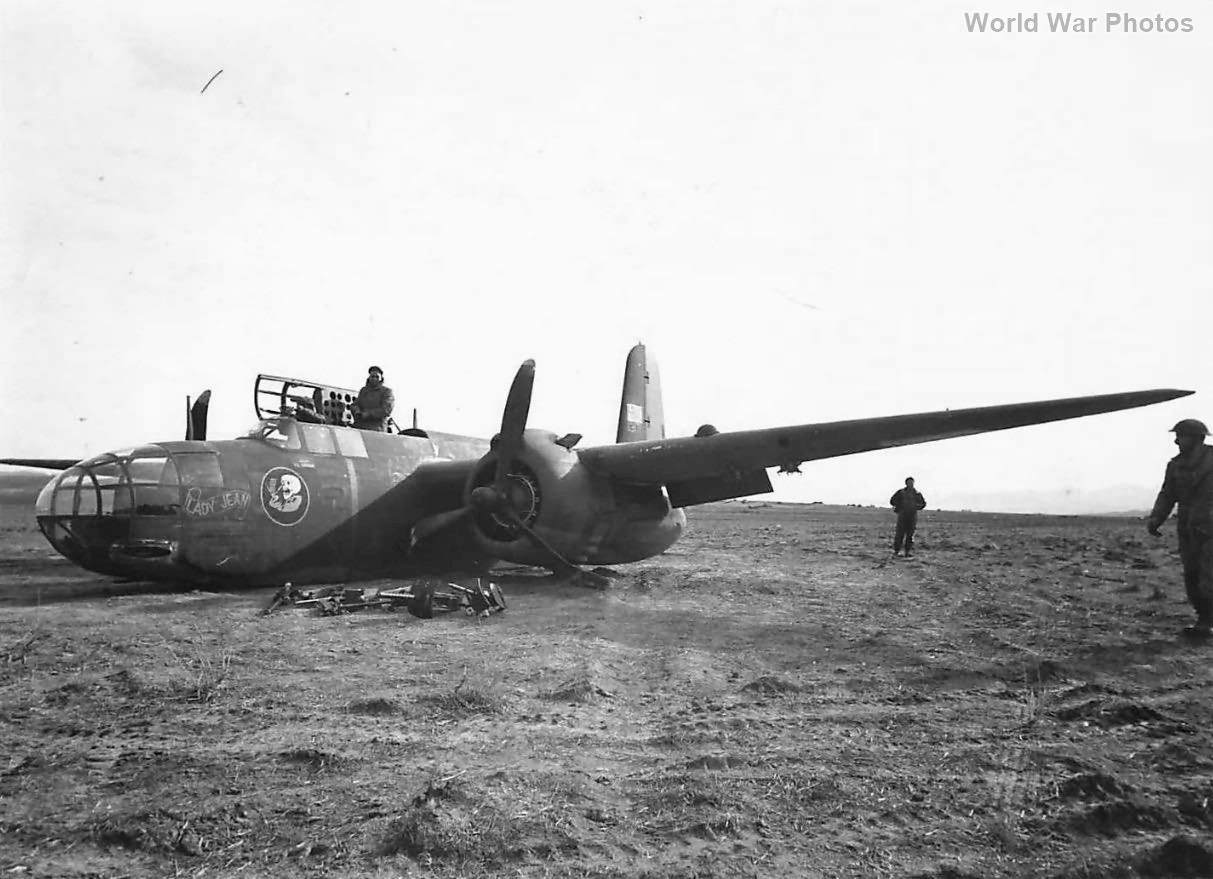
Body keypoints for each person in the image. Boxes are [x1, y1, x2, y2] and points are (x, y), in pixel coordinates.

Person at [1147, 419, 1213, 637]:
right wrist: (1156, 518)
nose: (1176, 441)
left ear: (1197, 438)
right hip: (1188, 528)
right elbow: (1168, 494)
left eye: (1181, 436)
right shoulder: (1175, 465)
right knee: (1192, 575)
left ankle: (1207, 622)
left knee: (1209, 575)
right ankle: (1203, 620)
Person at [890, 476, 927, 557]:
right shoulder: (901, 492)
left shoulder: (917, 493)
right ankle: (896, 551)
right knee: (899, 534)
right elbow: (892, 501)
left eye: (912, 482)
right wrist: (899, 506)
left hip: (912, 516)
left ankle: (907, 552)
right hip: (902, 516)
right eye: (909, 482)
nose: (911, 484)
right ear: (906, 483)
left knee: (910, 535)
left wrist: (916, 507)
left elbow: (923, 504)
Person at [352, 365, 395, 432]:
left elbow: (386, 410)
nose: (374, 379)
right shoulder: (364, 391)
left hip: (377, 429)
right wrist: (356, 410)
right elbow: (355, 404)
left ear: (381, 378)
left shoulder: (387, 392)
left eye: (377, 377)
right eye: (372, 376)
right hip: (360, 427)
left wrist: (368, 414)